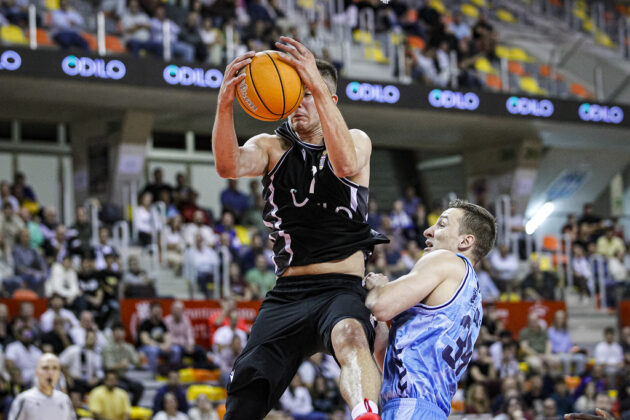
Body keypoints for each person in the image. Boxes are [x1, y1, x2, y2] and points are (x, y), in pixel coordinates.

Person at [212, 37, 388, 420]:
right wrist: (225, 107)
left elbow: (343, 165)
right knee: (249, 378)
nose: (298, 104)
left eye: (308, 94)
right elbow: (227, 166)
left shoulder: (356, 141)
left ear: (330, 101)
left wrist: (313, 81)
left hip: (340, 287)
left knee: (351, 338)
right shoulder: (272, 146)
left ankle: (366, 413)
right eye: (295, 94)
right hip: (289, 291)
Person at [364, 199, 496, 420]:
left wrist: (378, 287)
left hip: (409, 409)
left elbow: (381, 305)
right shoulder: (474, 299)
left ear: (465, 241)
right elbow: (390, 357)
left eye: (442, 225)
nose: (428, 231)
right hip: (429, 410)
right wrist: (379, 325)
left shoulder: (446, 259)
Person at [7, 353, 75, 420]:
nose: (50, 373)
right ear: (36, 371)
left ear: (59, 372)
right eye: (45, 368)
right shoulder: (25, 399)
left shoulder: (65, 399)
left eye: (55, 368)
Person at [102, 322, 144, 406]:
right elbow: (108, 366)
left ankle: (132, 406)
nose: (119, 333)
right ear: (113, 334)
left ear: (124, 333)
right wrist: (121, 365)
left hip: (123, 377)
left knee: (139, 387)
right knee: (123, 388)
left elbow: (136, 362)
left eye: (121, 331)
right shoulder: (108, 348)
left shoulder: (128, 347)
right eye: (116, 331)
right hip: (111, 377)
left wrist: (140, 358)